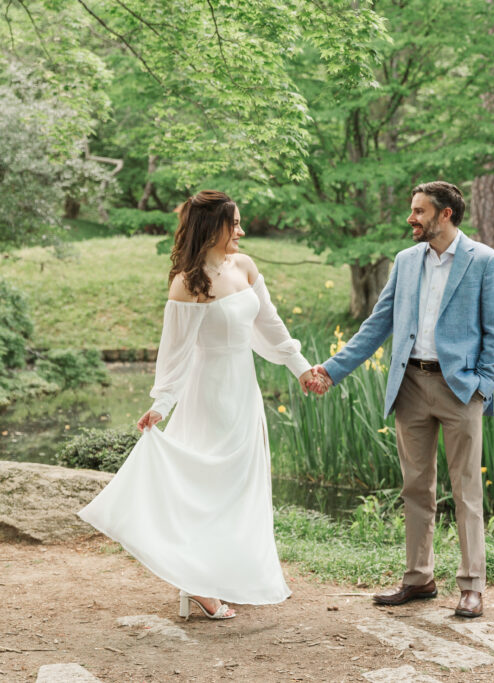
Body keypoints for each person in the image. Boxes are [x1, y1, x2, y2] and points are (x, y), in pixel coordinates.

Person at [79, 191, 319, 620]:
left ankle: (223, 574)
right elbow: (175, 352)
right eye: (236, 224)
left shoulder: (244, 266)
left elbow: (270, 325)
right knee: (208, 488)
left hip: (243, 392)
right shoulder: (188, 283)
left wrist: (300, 368)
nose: (242, 232)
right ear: (213, 229)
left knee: (240, 486)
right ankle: (197, 585)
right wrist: (162, 404)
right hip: (205, 394)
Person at [307, 181, 494, 618]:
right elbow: (377, 325)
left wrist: (482, 385)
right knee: (416, 488)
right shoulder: (404, 261)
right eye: (412, 210)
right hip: (410, 388)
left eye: (419, 211)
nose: (411, 218)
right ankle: (419, 578)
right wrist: (331, 369)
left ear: (445, 215)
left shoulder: (484, 261)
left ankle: (472, 585)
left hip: (460, 390)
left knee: (466, 491)